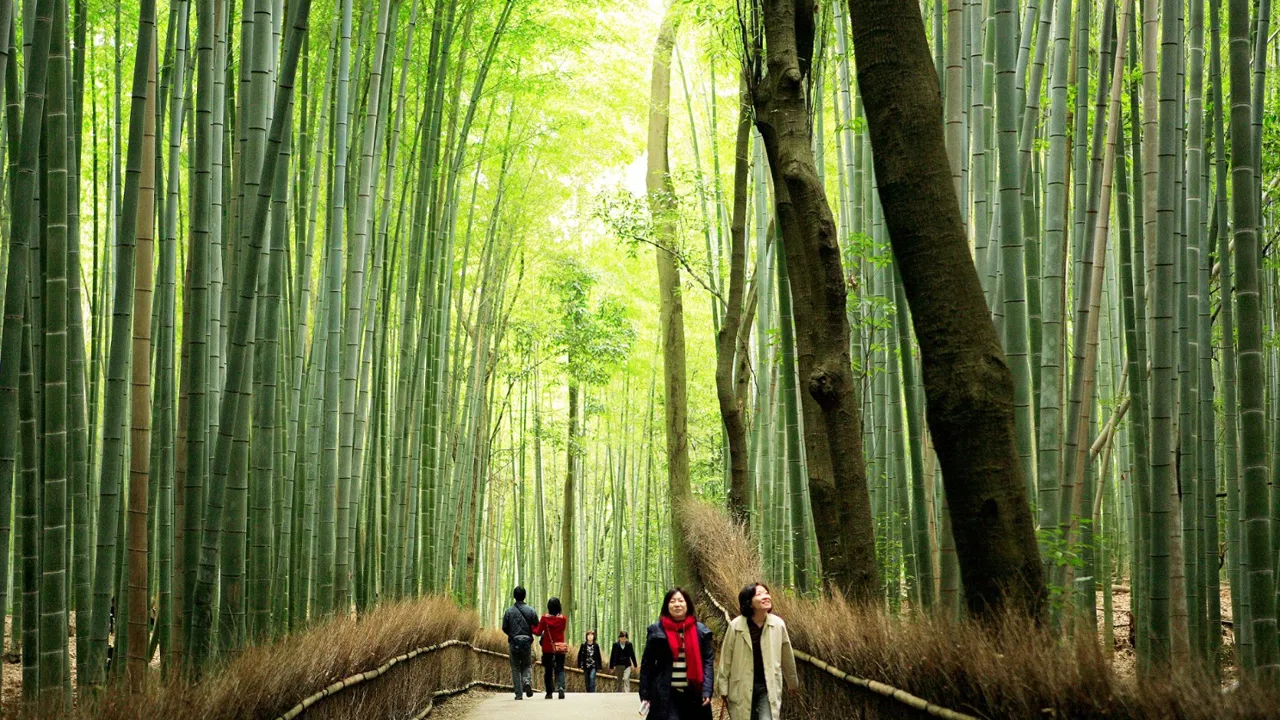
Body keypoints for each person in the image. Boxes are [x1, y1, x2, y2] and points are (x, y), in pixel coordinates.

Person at [714, 583, 799, 720]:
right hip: (741, 685)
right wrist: (723, 687)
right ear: (749, 602)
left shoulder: (778, 624)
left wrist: (792, 682)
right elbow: (726, 658)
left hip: (767, 685)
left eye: (766, 593)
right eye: (759, 594)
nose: (765, 597)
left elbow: (786, 655)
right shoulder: (736, 626)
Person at [639, 587, 715, 720]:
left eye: (681, 600)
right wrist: (645, 693)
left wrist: (707, 690)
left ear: (688, 604)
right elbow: (647, 663)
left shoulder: (700, 631)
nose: (677, 604)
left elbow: (707, 662)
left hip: (694, 692)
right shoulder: (657, 631)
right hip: (666, 693)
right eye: (672, 601)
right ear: (667, 606)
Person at [501, 586, 538, 700]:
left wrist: (512, 635)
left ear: (514, 596)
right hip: (526, 641)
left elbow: (504, 627)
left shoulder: (508, 611)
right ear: (524, 596)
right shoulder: (531, 610)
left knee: (515, 667)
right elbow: (536, 624)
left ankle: (518, 694)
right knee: (526, 664)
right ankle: (526, 681)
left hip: (514, 641)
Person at [533, 596, 568, 699]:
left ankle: (549, 693)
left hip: (548, 648)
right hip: (560, 648)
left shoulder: (544, 618)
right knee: (560, 668)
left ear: (548, 607)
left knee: (548, 670)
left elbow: (538, 632)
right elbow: (563, 629)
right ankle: (561, 687)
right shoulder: (563, 619)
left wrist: (531, 627)